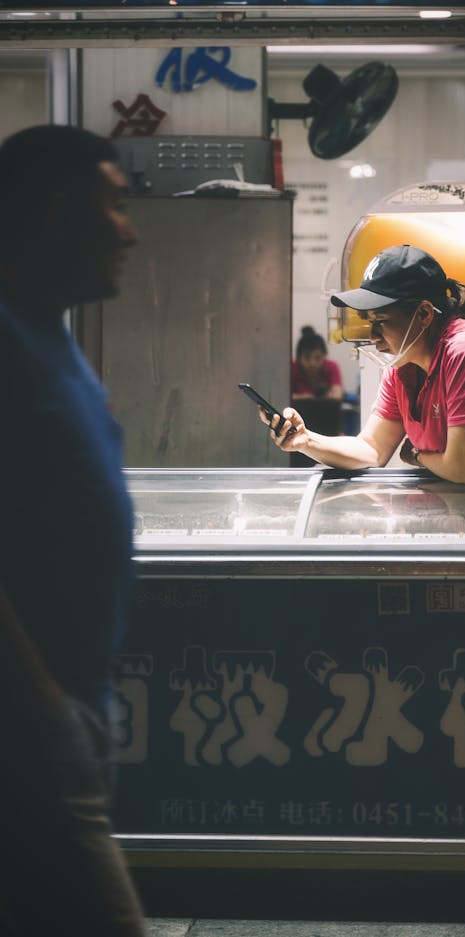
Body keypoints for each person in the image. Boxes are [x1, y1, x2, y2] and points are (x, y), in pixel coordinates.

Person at [0, 125, 145, 936]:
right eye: (114, 205)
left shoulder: (48, 331)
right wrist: (42, 706)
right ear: (59, 214)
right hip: (26, 721)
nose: (128, 229)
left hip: (69, 708)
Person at [259, 244, 465, 484]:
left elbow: (463, 468)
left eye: (382, 321)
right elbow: (371, 449)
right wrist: (305, 441)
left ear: (424, 314)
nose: (373, 336)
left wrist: (416, 455)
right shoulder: (404, 369)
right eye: (368, 321)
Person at [291, 325, 344, 400]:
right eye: (307, 357)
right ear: (299, 358)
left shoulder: (331, 367)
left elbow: (338, 395)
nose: (312, 363)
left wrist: (306, 398)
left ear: (324, 356)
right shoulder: (291, 368)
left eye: (317, 357)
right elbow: (282, 396)